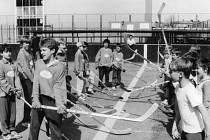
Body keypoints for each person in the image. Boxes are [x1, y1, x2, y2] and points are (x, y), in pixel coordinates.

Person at [28, 38, 67, 140]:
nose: (42, 53)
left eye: (44, 50)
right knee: (34, 128)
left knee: (55, 130)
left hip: (52, 100)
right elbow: (36, 82)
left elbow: (59, 87)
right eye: (41, 50)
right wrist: (35, 99)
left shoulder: (60, 67)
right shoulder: (39, 63)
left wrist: (60, 103)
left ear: (53, 51)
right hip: (39, 98)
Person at [170, 57, 210, 140]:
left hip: (195, 132)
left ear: (180, 74)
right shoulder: (178, 88)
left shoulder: (190, 91)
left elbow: (204, 111)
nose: (169, 73)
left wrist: (208, 132)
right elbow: (178, 111)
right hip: (185, 130)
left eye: (171, 71)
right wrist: (175, 125)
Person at [0, 43, 23, 139]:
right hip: (3, 93)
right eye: (6, 51)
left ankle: (12, 129)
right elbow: (1, 79)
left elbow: (17, 77)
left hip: (13, 93)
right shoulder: (0, 64)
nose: (9, 53)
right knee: (4, 113)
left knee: (13, 113)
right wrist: (10, 88)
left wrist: (18, 89)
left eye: (10, 51)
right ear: (1, 53)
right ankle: (5, 133)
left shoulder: (14, 64)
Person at [16, 37, 34, 125]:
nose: (27, 44)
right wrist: (33, 79)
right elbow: (25, 69)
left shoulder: (28, 52)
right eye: (25, 43)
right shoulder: (22, 53)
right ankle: (25, 120)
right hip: (25, 78)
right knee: (28, 98)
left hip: (30, 77)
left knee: (30, 98)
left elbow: (31, 66)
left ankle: (28, 117)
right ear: (22, 44)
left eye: (28, 43)